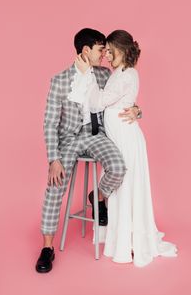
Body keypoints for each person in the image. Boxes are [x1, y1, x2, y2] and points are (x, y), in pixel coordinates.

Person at [35, 28, 141, 273]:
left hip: (96, 135)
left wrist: (138, 111)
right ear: (86, 50)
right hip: (69, 140)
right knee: (56, 184)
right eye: (100, 49)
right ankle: (47, 248)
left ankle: (98, 197)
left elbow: (125, 97)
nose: (105, 54)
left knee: (117, 167)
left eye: (106, 50)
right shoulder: (60, 80)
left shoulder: (106, 74)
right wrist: (54, 159)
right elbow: (50, 122)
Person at [71, 30, 177, 266]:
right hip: (116, 137)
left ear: (121, 49)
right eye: (105, 50)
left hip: (127, 138)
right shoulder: (117, 73)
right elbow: (105, 101)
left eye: (110, 50)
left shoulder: (128, 75)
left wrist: (86, 73)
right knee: (121, 186)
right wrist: (137, 109)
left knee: (127, 186)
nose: (107, 55)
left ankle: (130, 240)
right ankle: (121, 236)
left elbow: (98, 101)